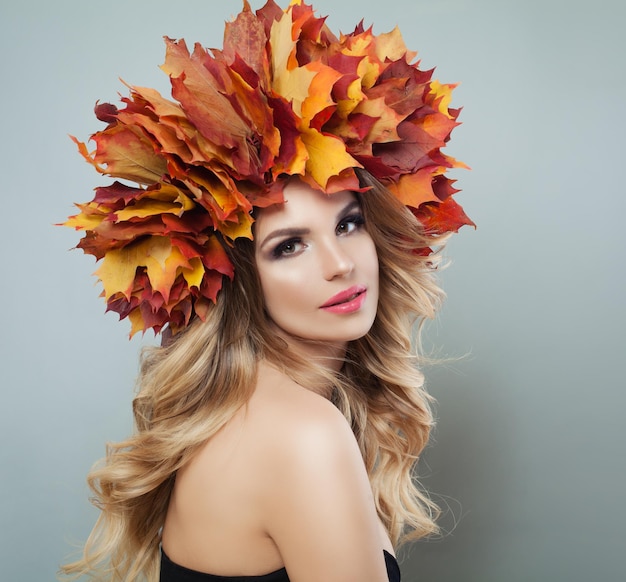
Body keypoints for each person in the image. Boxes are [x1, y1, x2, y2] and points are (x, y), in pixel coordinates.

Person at [60, 2, 473, 581]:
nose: (339, 264)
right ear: (239, 278)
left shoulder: (251, 410)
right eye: (289, 245)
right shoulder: (303, 434)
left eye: (348, 223)